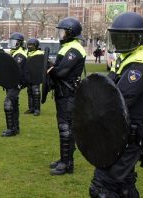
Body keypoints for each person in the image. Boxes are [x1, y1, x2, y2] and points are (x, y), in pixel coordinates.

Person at [89, 12, 143, 197]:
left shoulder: (142, 64)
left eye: (126, 38)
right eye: (117, 37)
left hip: (129, 135)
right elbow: (104, 87)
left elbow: (118, 100)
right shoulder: (126, 59)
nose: (120, 42)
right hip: (119, 133)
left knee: (102, 187)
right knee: (124, 186)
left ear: (138, 38)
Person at [47, 17, 86, 175]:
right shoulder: (68, 47)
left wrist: (50, 69)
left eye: (63, 31)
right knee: (63, 126)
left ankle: (67, 163)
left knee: (66, 127)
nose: (60, 34)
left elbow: (61, 72)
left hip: (68, 93)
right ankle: (64, 158)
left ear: (71, 33)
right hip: (62, 92)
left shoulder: (75, 49)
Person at [1, 32, 28, 137]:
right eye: (11, 42)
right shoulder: (15, 53)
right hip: (13, 83)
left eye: (14, 42)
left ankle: (11, 129)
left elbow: (16, 70)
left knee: (8, 103)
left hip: (16, 83)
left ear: (19, 43)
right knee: (14, 104)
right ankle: (15, 127)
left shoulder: (19, 55)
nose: (12, 44)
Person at [25, 38, 44, 116]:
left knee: (36, 92)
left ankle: (37, 110)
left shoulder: (39, 53)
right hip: (29, 76)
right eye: (28, 45)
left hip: (36, 77)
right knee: (29, 92)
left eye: (31, 45)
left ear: (35, 46)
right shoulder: (29, 53)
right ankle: (31, 108)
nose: (29, 46)